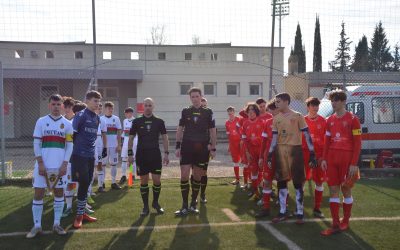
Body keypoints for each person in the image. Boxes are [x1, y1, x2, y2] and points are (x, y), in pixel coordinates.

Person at [27, 94, 73, 238]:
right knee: (39, 193)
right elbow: (36, 144)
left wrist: (65, 164)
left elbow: (70, 146)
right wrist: (40, 163)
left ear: (62, 106)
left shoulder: (67, 124)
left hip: (60, 167)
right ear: (49, 105)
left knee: (59, 193)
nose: (56, 107)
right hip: (42, 166)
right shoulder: (41, 121)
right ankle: (37, 226)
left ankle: (56, 224)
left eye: (59, 104)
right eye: (53, 104)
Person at [267, 93, 317, 224]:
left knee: (297, 182)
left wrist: (312, 153)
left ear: (286, 102)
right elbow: (273, 138)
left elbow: (307, 135)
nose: (276, 104)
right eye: (276, 101)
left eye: (278, 101)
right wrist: (270, 153)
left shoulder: (298, 116)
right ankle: (283, 211)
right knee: (281, 182)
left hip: (295, 150)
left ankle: (300, 212)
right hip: (280, 151)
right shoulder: (276, 118)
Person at [320, 90, 362, 236]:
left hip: (347, 159)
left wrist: (354, 163)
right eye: (332, 100)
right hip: (332, 159)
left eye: (337, 100)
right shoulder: (329, 120)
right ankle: (335, 222)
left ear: (344, 102)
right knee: (332, 190)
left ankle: (346, 221)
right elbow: (326, 142)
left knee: (346, 190)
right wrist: (324, 159)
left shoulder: (353, 119)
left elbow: (357, 143)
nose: (334, 102)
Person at [175, 87, 217, 216]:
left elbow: (212, 130)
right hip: (187, 146)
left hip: (202, 148)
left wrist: (213, 147)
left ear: (201, 96)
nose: (195, 99)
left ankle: (193, 203)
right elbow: (180, 128)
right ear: (190, 98)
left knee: (197, 176)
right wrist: (177, 146)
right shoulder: (185, 111)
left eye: (197, 96)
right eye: (192, 97)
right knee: (184, 175)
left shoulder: (208, 112)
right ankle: (184, 205)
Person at [128, 98, 169, 216]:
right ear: (143, 106)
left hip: (155, 155)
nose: (147, 107)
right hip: (141, 155)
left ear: (153, 106)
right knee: (144, 181)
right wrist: (130, 154)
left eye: (150, 105)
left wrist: (166, 153)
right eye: (146, 105)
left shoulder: (159, 121)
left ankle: (155, 203)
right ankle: (145, 206)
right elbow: (130, 138)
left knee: (156, 180)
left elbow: (165, 137)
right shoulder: (136, 122)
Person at [71, 90, 104, 229]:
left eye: (99, 101)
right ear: (87, 101)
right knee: (83, 182)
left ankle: (82, 213)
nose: (98, 103)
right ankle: (78, 216)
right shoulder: (80, 115)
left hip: (91, 156)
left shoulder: (97, 118)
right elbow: (72, 135)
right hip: (79, 155)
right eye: (95, 101)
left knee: (87, 183)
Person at [302, 97, 327, 218]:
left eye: (317, 105)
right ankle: (299, 207)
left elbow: (327, 140)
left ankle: (317, 208)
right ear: (308, 107)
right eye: (313, 105)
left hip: (318, 155)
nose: (315, 108)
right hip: (305, 154)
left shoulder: (323, 121)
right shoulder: (302, 121)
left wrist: (323, 156)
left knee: (319, 182)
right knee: (301, 181)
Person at [256, 99, 280, 217]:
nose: (271, 113)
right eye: (270, 111)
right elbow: (264, 142)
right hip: (268, 157)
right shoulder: (267, 122)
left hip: (281, 156)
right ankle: (266, 207)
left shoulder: (287, 121)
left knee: (282, 181)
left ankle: (282, 204)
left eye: (272, 110)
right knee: (267, 181)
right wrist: (261, 157)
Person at [241, 103, 265, 199]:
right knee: (253, 170)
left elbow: (265, 138)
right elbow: (245, 139)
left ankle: (262, 188)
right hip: (250, 150)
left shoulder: (262, 122)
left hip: (261, 149)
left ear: (256, 112)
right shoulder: (245, 123)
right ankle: (254, 190)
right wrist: (247, 152)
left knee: (261, 169)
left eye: (253, 111)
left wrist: (263, 153)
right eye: (249, 111)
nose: (251, 113)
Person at [101, 102, 122, 190]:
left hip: (114, 145)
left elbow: (119, 132)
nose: (110, 110)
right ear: (105, 109)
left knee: (114, 164)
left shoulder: (116, 119)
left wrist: (119, 145)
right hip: (104, 146)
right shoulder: (100, 118)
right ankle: (101, 183)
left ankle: (113, 182)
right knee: (102, 164)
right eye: (108, 108)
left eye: (111, 108)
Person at [120, 107, 138, 184]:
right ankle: (123, 176)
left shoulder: (136, 121)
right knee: (124, 159)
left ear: (132, 113)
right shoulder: (124, 121)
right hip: (125, 143)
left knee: (132, 160)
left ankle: (132, 175)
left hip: (133, 143)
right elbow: (124, 132)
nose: (128, 114)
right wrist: (120, 142)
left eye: (129, 113)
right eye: (126, 113)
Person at [225, 106, 242, 185]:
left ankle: (249, 180)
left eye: (231, 112)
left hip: (241, 143)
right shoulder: (227, 123)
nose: (230, 114)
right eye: (229, 113)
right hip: (233, 144)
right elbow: (228, 135)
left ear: (234, 112)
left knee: (247, 161)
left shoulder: (239, 119)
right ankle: (237, 179)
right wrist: (229, 145)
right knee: (235, 162)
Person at [94, 103, 107, 193]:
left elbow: (104, 134)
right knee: (90, 165)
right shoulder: (89, 117)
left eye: (101, 108)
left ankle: (100, 185)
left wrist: (105, 147)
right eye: (98, 107)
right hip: (91, 140)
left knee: (100, 164)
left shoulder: (102, 120)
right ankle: (88, 189)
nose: (99, 109)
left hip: (99, 141)